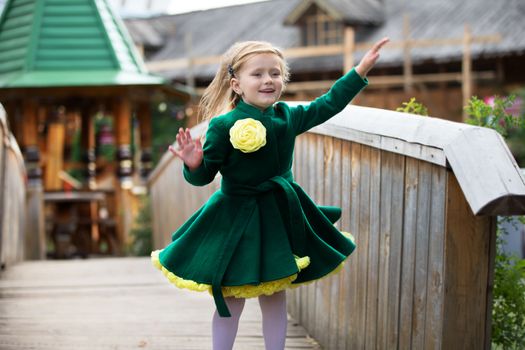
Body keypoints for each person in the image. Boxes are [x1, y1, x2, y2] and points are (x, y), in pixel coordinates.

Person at [152, 37, 389, 350]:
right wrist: (194, 165)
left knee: (275, 295)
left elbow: (327, 104)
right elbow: (204, 176)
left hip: (276, 216)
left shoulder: (286, 117)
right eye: (258, 74)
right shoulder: (222, 126)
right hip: (236, 221)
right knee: (232, 296)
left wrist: (359, 71)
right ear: (236, 85)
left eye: (275, 73)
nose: (268, 80)